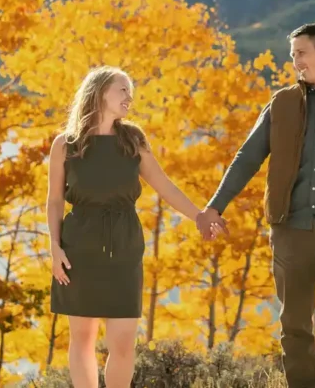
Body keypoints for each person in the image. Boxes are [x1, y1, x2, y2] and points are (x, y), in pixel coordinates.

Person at [199, 23, 315, 388]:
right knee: (295, 323)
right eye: (292, 56)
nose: (295, 62)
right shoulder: (281, 103)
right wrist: (214, 206)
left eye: (300, 53)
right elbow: (246, 158)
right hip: (290, 227)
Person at [46, 65, 221, 388]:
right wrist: (54, 248)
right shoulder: (65, 144)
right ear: (99, 93)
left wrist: (198, 215)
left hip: (124, 247)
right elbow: (55, 201)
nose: (130, 97)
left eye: (131, 90)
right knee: (82, 338)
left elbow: (163, 185)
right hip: (78, 249)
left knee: (124, 342)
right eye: (123, 90)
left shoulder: (133, 140)